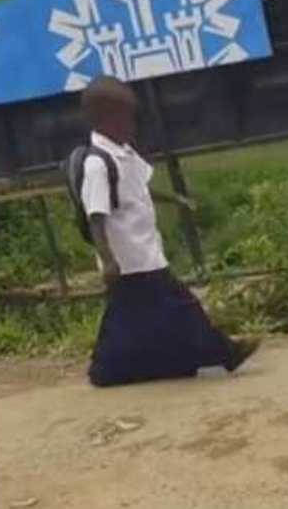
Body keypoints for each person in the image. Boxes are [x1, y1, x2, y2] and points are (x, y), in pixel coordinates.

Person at [78, 76, 259, 387]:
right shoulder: (97, 164)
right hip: (130, 258)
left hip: (143, 252)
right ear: (106, 118)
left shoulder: (124, 153)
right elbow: (96, 215)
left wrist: (174, 199)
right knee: (181, 306)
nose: (131, 124)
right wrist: (108, 260)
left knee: (128, 321)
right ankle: (227, 352)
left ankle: (108, 371)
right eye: (125, 117)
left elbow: (138, 188)